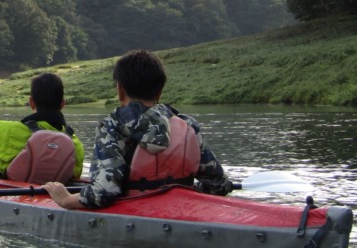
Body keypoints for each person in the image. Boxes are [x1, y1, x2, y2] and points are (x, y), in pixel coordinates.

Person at [44, 49, 233, 209]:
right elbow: (219, 186)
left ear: (120, 91)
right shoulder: (188, 124)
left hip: (135, 207)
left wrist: (66, 199)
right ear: (159, 92)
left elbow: (105, 191)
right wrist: (188, 191)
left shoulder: (112, 126)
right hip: (182, 208)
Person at [0, 72, 85, 184]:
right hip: (52, 199)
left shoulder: (12, 132)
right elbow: (74, 176)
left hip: (12, 196)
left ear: (31, 103)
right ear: (63, 104)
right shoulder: (75, 144)